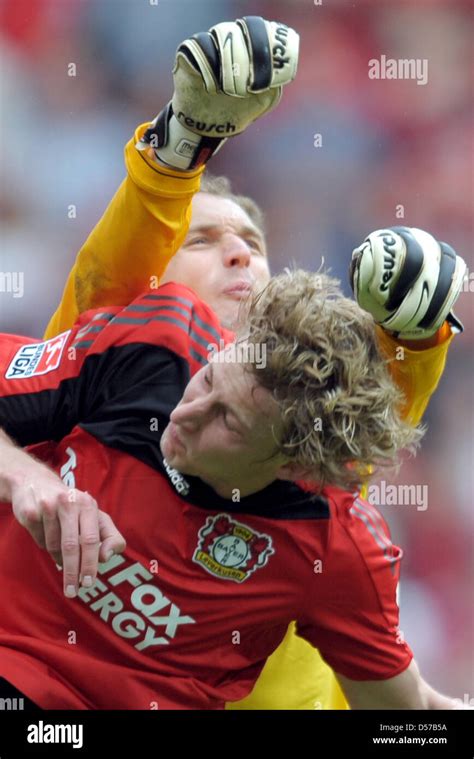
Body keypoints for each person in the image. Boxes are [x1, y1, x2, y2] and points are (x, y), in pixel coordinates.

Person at [3, 16, 465, 711]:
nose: (242, 254)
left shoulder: (324, 502)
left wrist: (415, 337)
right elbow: (113, 275)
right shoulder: (128, 341)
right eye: (206, 238)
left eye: (253, 242)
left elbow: (355, 424)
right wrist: (178, 151)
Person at [0, 266, 467, 709]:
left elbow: (410, 713)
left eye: (228, 421)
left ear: (292, 465)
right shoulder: (156, 340)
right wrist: (25, 475)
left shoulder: (335, 546)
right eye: (208, 380)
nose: (186, 414)